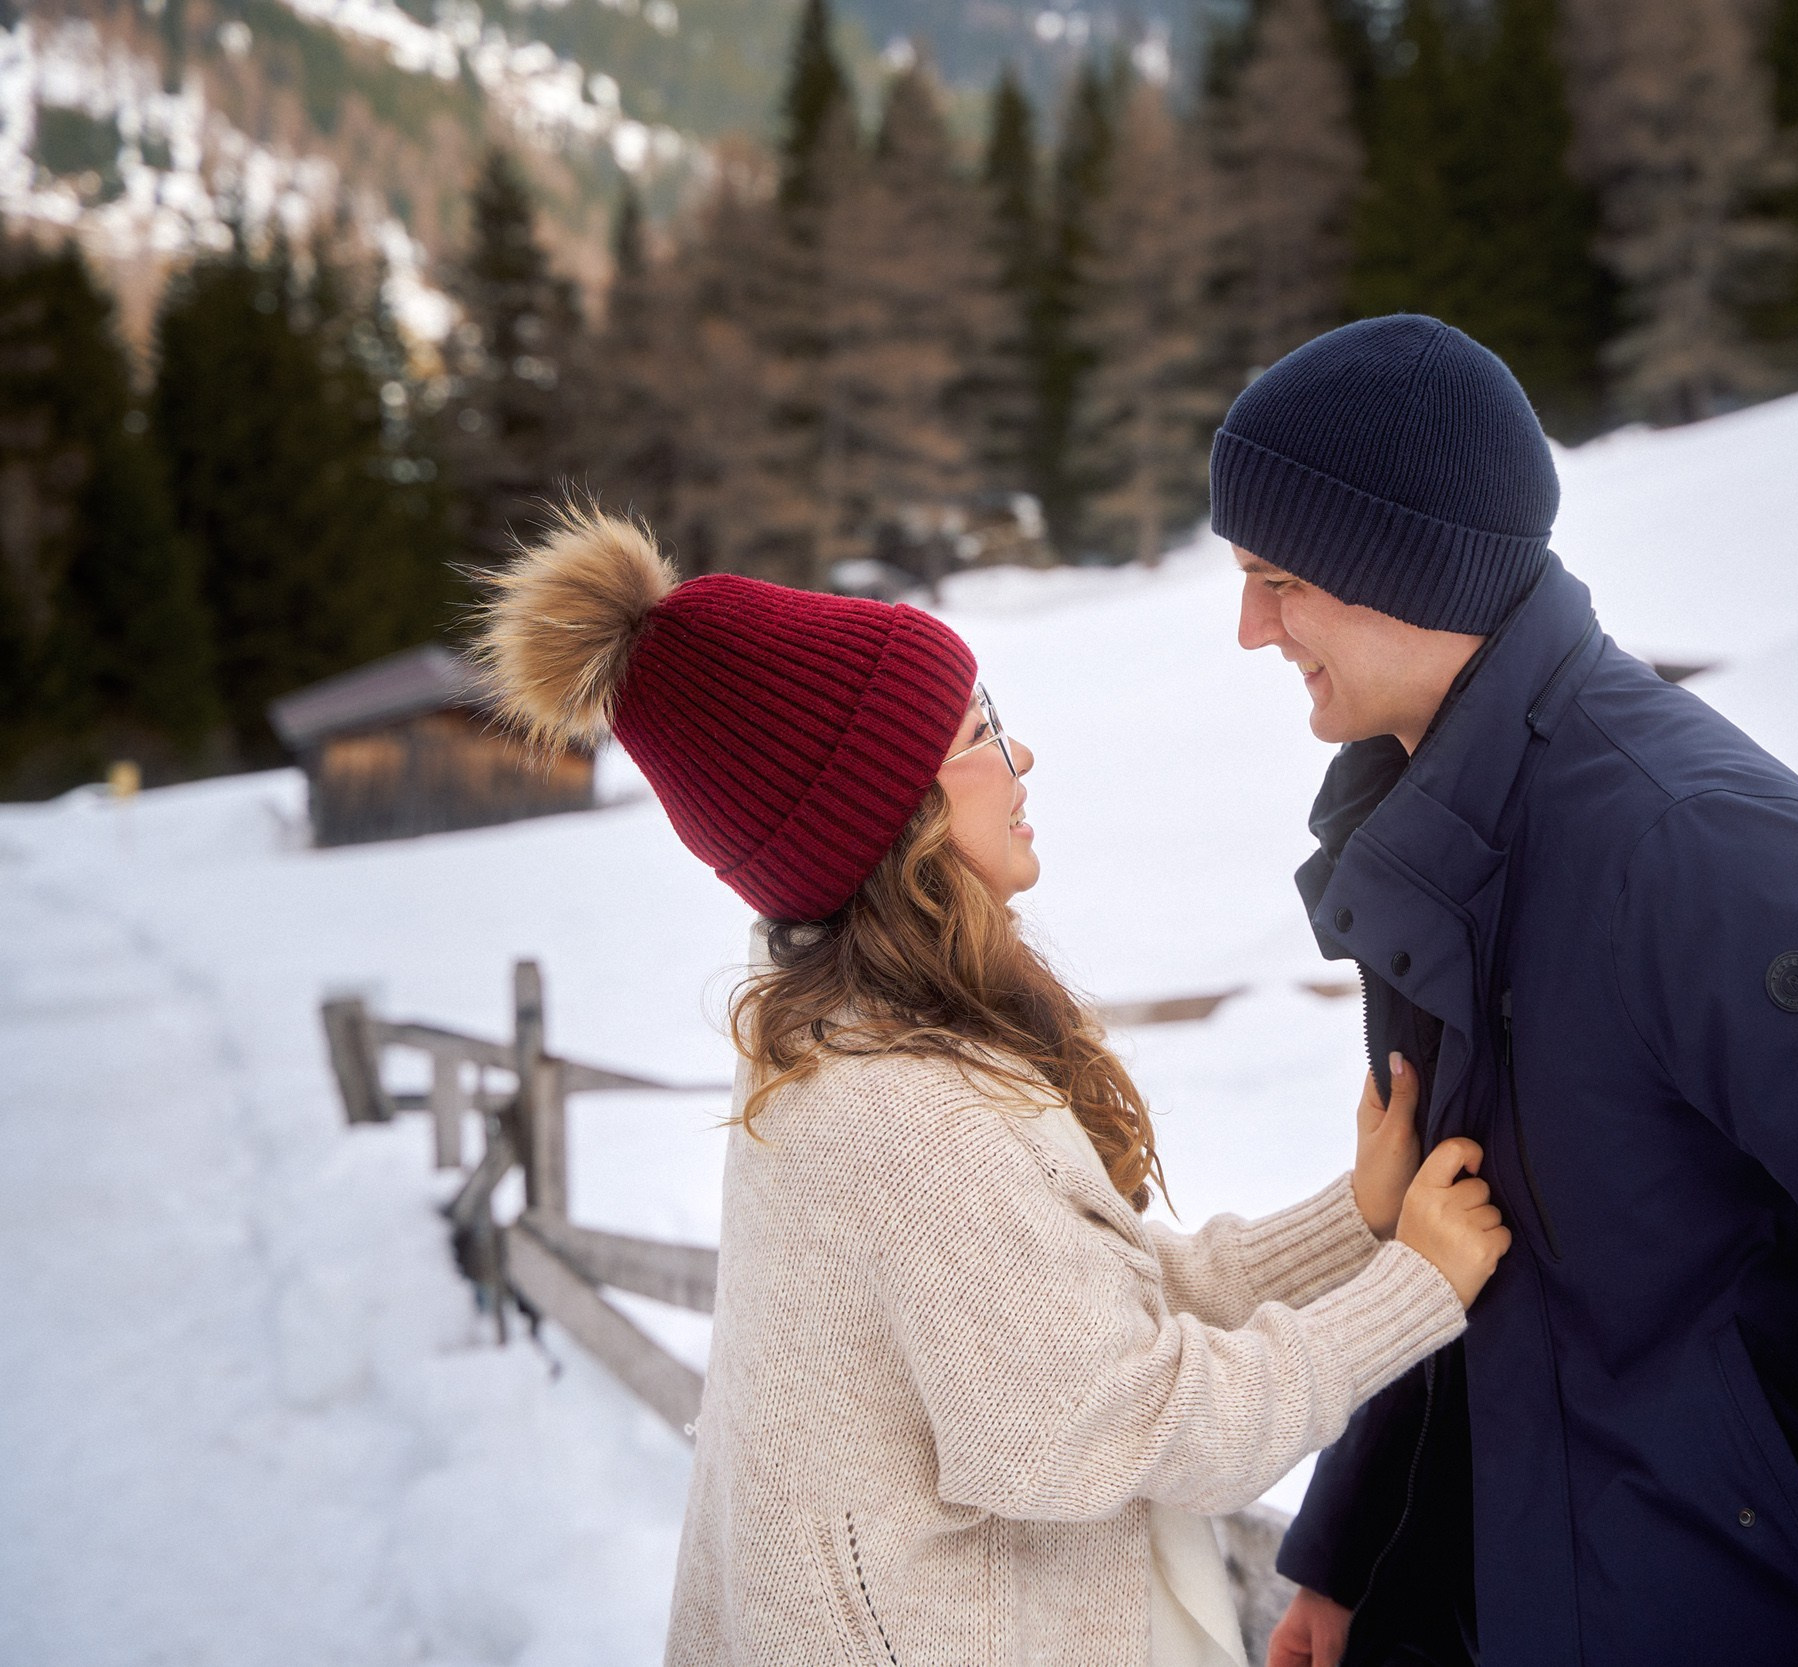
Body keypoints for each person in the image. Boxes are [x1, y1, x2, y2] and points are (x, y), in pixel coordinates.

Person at [1214, 316, 1798, 1667]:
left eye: (1278, 577)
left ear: (1400, 567)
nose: (1249, 629)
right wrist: (1352, 1555)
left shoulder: (1697, 852)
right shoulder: (1435, 836)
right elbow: (1447, 1243)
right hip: (1510, 1594)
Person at [469, 509, 1514, 1667]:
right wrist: (1412, 1288)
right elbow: (1120, 1417)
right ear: (889, 811)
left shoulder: (859, 1044)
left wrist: (1353, 1224)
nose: (1020, 759)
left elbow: (1072, 1321)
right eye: (981, 732)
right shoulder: (906, 1119)